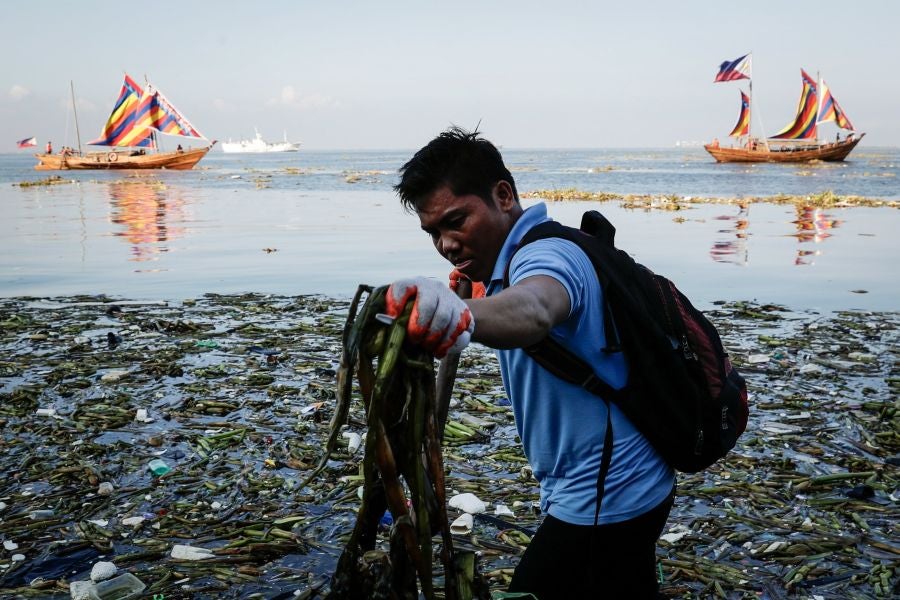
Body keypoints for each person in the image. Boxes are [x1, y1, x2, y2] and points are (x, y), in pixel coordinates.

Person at [386, 127, 675, 599]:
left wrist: (457, 313)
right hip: (628, 481)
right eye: (434, 232)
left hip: (607, 492)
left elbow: (536, 309)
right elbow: (507, 305)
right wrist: (470, 298)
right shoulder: (501, 266)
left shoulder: (550, 255)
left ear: (503, 196)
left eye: (456, 221)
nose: (447, 244)